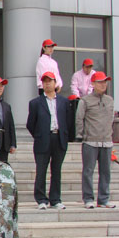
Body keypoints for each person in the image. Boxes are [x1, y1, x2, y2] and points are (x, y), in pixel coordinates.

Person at [26, 72, 73, 210]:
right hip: (43, 140)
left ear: (55, 82)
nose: (47, 84)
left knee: (56, 170)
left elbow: (69, 121)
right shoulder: (35, 103)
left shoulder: (64, 102)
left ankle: (55, 199)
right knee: (41, 170)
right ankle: (41, 199)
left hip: (59, 138)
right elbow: (30, 124)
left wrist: (65, 135)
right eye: (45, 81)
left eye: (50, 81)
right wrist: (39, 135)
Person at [76, 71, 116, 209]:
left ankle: (103, 199)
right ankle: (88, 199)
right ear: (93, 84)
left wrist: (110, 135)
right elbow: (79, 119)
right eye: (100, 82)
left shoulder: (109, 100)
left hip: (106, 141)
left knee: (106, 172)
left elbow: (111, 119)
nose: (103, 84)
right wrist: (80, 135)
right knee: (88, 171)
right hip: (90, 141)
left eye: (105, 81)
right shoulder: (85, 101)